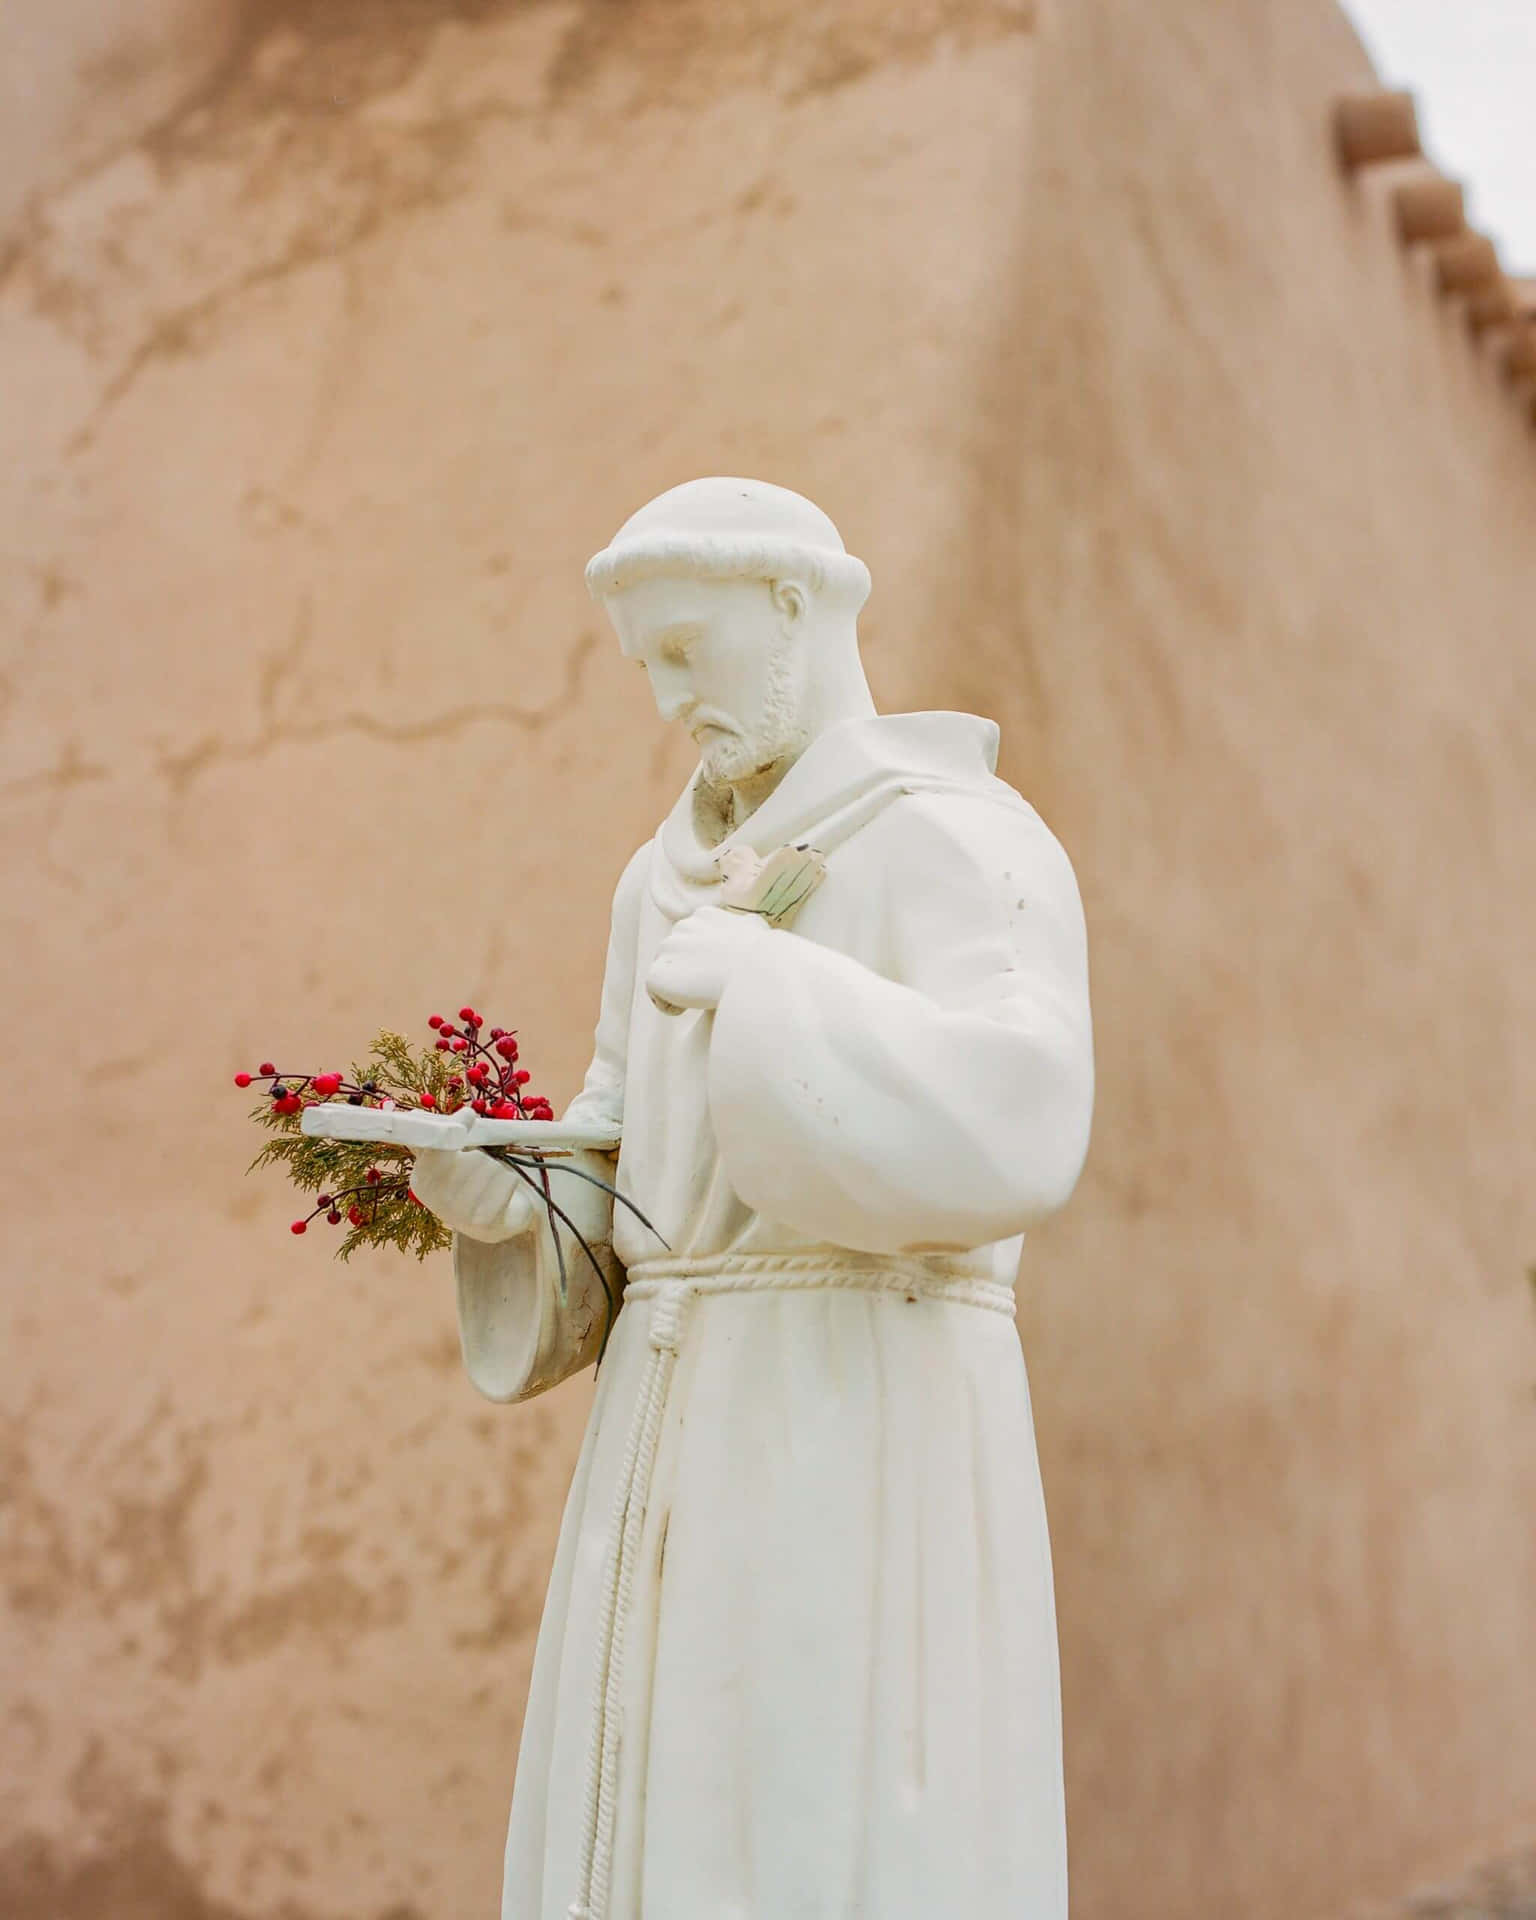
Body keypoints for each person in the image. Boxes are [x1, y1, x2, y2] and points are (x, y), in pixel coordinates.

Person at [411, 476, 1095, 1920]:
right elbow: (626, 1170)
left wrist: (778, 987)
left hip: (860, 1406)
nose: (666, 699)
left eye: (686, 651)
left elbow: (1026, 1115)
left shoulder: (957, 836)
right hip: (669, 1423)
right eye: (646, 663)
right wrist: (508, 1195)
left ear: (796, 609)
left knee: (818, 1804)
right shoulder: (653, 886)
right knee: (657, 1800)